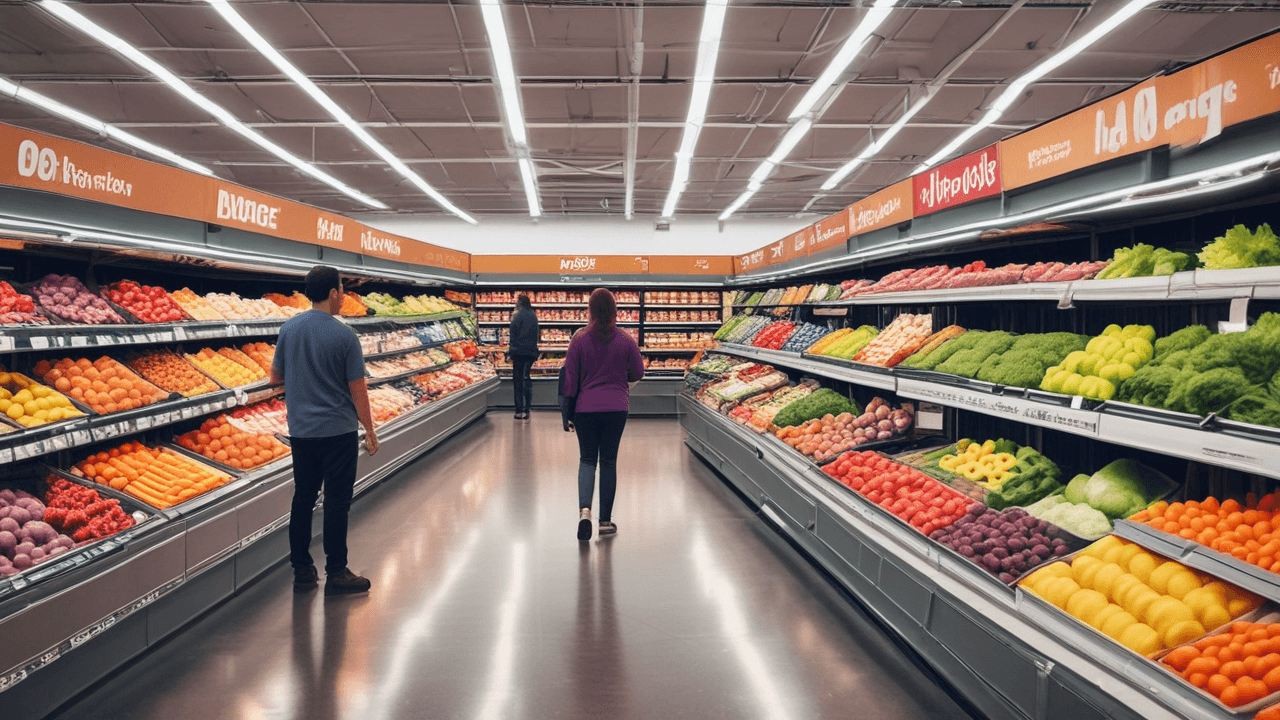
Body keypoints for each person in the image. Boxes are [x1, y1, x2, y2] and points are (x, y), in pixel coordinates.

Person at [271, 266, 379, 596]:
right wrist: (370, 430)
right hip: (337, 432)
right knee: (336, 502)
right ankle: (336, 572)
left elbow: (275, 379)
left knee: (303, 499)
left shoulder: (289, 329)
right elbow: (358, 389)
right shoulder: (344, 335)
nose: (345, 297)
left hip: (301, 433)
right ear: (333, 293)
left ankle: (302, 572)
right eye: (343, 290)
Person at [560, 288, 644, 541]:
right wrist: (621, 377)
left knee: (587, 460)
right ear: (615, 310)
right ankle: (605, 521)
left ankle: (585, 513)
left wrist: (568, 412)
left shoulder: (580, 340)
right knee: (608, 462)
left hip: (585, 408)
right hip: (617, 407)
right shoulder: (626, 339)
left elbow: (570, 379)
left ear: (590, 310)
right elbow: (638, 372)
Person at [508, 293, 539, 420]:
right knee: (527, 378)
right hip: (531, 352)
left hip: (518, 352)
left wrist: (511, 352)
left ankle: (519, 410)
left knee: (518, 381)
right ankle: (527, 409)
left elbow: (513, 335)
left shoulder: (516, 316)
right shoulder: (533, 315)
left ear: (519, 303)